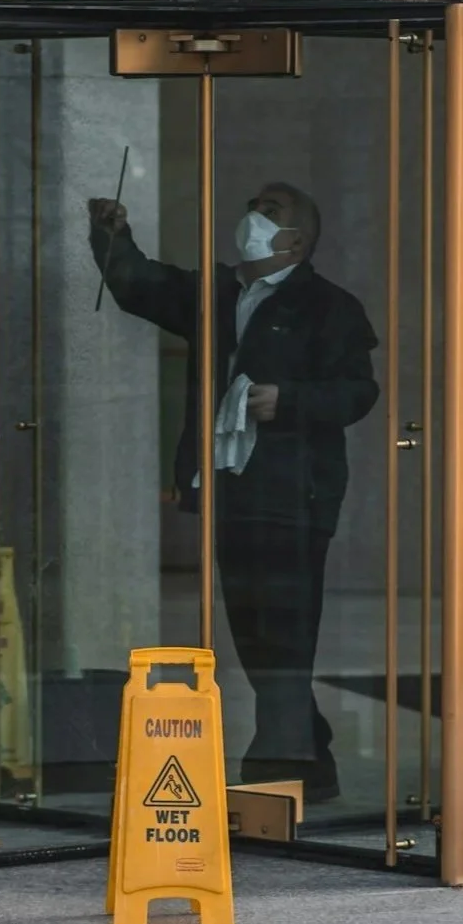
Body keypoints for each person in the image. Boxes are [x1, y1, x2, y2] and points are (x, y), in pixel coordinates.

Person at [88, 182, 379, 801]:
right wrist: (112, 234)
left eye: (270, 212)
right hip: (233, 490)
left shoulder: (329, 306)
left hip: (294, 495)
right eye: (252, 205)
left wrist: (289, 401)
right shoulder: (220, 292)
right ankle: (309, 761)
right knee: (254, 631)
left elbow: (358, 391)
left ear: (296, 240)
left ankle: (279, 770)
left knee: (286, 633)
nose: (253, 216)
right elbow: (141, 284)